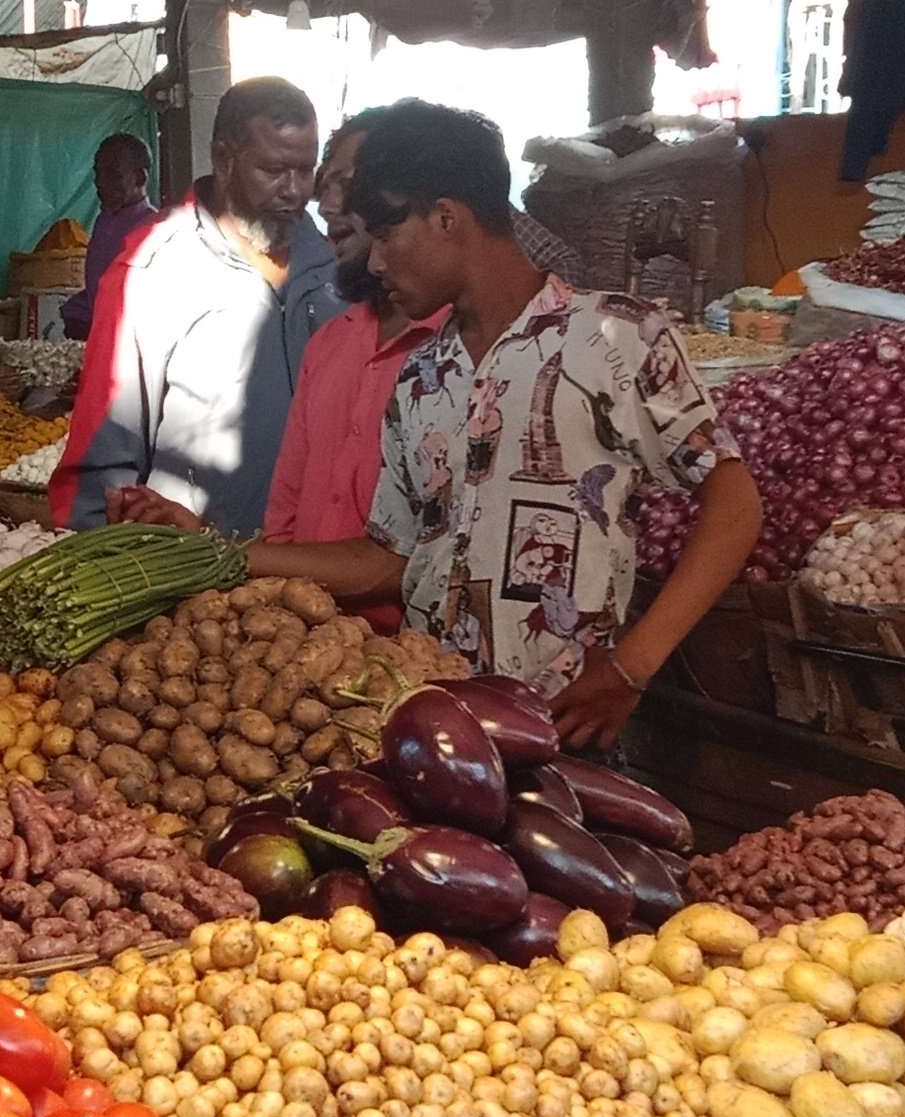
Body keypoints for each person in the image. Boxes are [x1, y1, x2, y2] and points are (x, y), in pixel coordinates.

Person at [143, 100, 763, 748]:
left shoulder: (617, 335)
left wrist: (633, 666)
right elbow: (388, 558)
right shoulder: (419, 379)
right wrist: (217, 553)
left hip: (565, 723)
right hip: (428, 726)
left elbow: (734, 503)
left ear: (446, 217)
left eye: (386, 236)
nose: (375, 263)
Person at [56, 82, 339, 532]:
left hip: (319, 566)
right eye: (274, 170)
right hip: (201, 574)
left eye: (306, 171)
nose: (294, 191)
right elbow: (102, 455)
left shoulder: (332, 264)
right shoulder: (154, 270)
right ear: (224, 159)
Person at [259, 113, 437, 574]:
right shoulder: (328, 345)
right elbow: (285, 513)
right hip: (308, 631)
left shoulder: (462, 348)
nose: (326, 206)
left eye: (347, 183)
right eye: (326, 186)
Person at [57, 133, 160, 338]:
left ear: (140, 178)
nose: (100, 182)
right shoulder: (105, 220)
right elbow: (97, 292)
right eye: (98, 173)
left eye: (113, 174)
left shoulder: (154, 229)